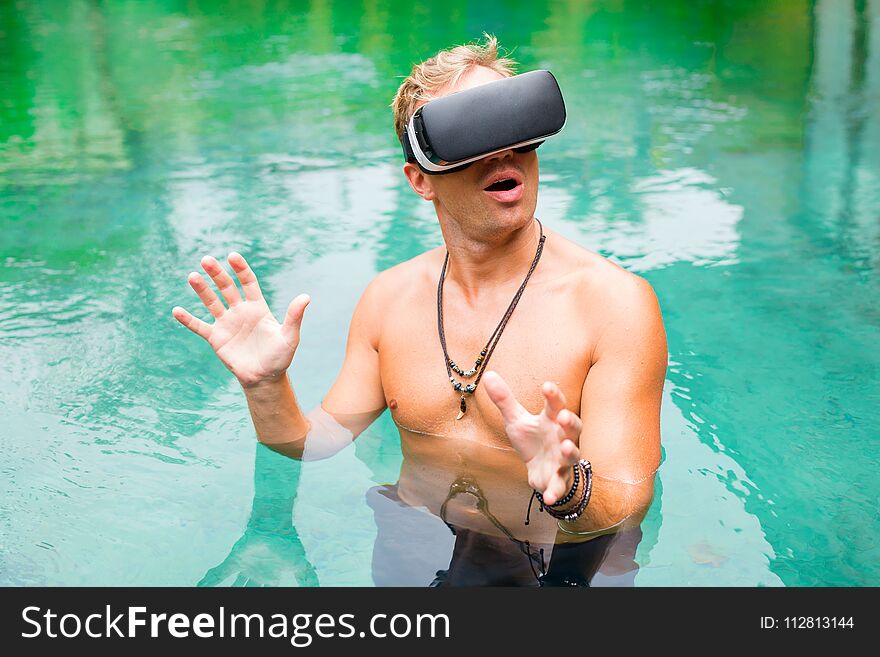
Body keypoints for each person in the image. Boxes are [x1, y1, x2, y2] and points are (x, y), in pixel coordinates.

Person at [171, 35, 668, 586]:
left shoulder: (615, 304)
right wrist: (265, 384)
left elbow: (624, 503)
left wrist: (567, 484)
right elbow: (313, 445)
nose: (505, 155)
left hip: (561, 556)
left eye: (517, 133)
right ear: (420, 180)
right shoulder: (390, 300)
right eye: (475, 139)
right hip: (418, 535)